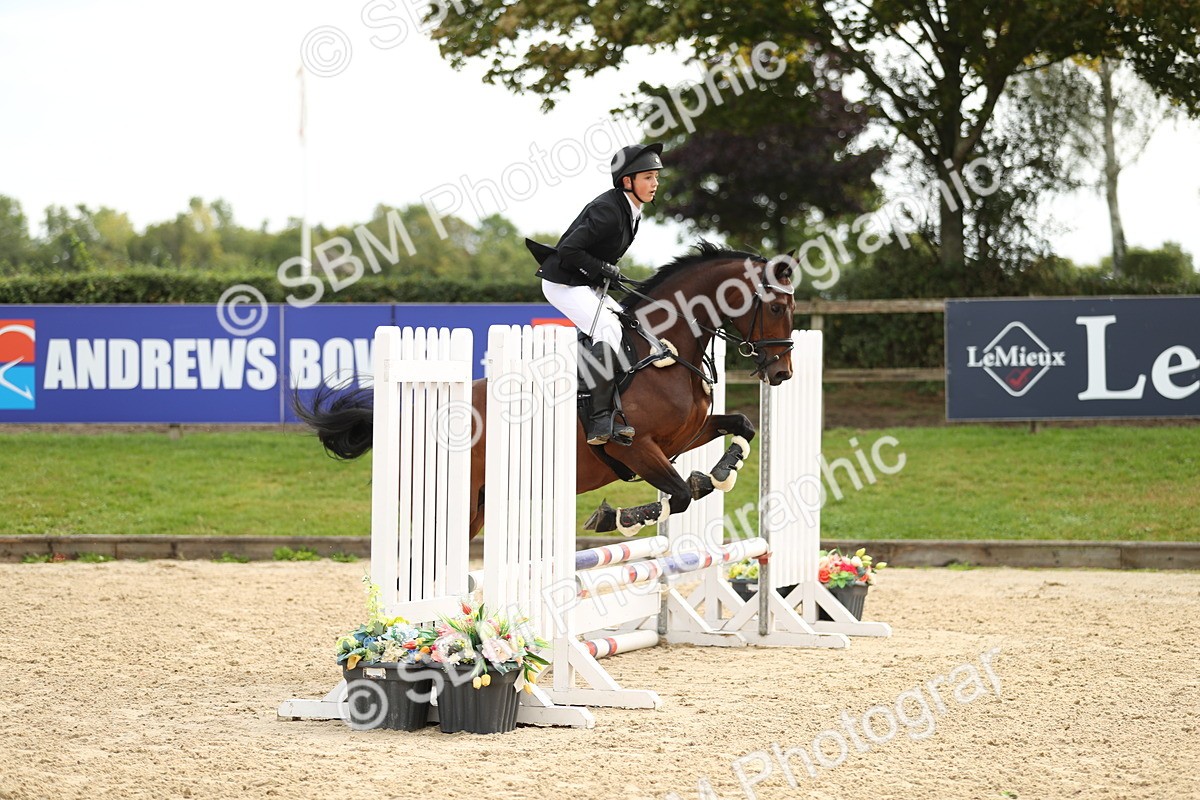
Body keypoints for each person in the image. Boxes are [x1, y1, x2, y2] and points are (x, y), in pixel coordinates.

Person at [525, 142, 663, 446]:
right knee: (607, 328)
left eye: (656, 177)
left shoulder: (632, 211)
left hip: (583, 283)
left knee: (624, 323)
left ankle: (610, 404)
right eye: (648, 177)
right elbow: (569, 249)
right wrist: (602, 268)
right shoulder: (608, 210)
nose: (655, 183)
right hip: (563, 283)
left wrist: (605, 273)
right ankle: (600, 417)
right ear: (628, 181)